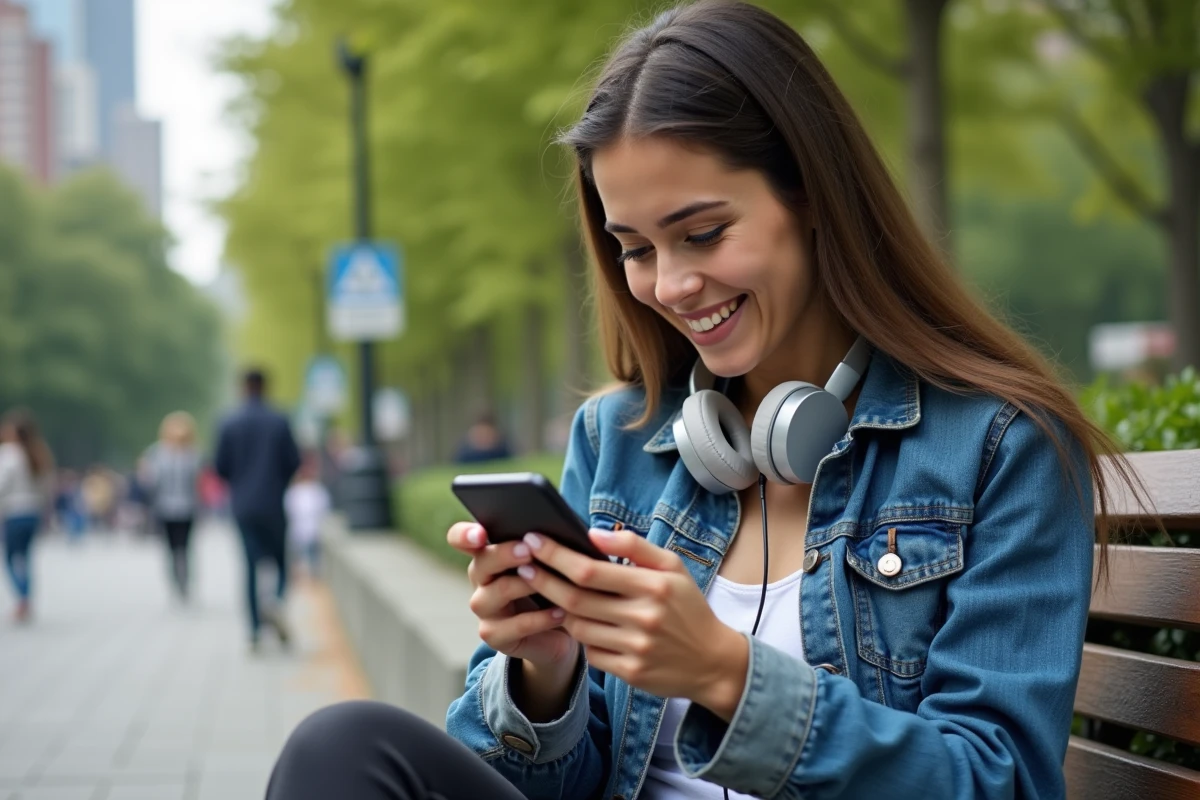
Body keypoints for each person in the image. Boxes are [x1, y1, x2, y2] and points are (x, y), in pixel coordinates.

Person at [265, 3, 1141, 799]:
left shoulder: (996, 447)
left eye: (704, 233)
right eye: (635, 248)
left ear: (811, 195)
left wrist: (727, 675)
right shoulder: (620, 439)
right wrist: (546, 672)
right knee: (343, 748)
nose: (670, 284)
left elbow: (1003, 785)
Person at [215, 368, 301, 650]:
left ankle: (253, 630)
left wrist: (241, 484)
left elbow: (220, 467)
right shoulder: (279, 420)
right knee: (280, 562)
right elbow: (294, 461)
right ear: (265, 387)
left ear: (242, 387)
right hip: (274, 503)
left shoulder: (229, 422)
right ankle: (275, 600)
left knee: (250, 567)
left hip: (243, 506)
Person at [141, 411, 203, 603]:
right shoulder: (157, 453)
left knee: (184, 547)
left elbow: (199, 481)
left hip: (188, 508)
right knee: (170, 548)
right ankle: (175, 582)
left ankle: (184, 581)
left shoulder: (194, 454)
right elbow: (149, 480)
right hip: (165, 508)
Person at [0, 409, 54, 624]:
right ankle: (27, 598)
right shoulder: (40, 453)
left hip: (14, 511)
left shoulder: (10, 453)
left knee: (11, 558)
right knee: (27, 557)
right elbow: (47, 486)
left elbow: (2, 483)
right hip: (33, 512)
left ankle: (22, 598)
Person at [285, 453, 331, 581]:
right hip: (298, 531)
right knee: (297, 558)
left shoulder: (317, 490)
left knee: (312, 558)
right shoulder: (294, 491)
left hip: (312, 531)